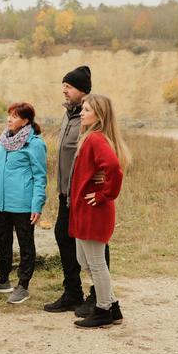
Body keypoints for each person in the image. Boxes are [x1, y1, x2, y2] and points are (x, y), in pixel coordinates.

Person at [43, 65, 109, 314]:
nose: (64, 90)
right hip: (66, 192)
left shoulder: (90, 117)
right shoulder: (70, 114)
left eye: (68, 86)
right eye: (63, 86)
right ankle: (72, 292)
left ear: (82, 90)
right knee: (63, 236)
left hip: (84, 194)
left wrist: (100, 185)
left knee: (95, 244)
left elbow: (104, 154)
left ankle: (97, 295)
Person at [69, 94, 130, 328]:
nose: (81, 113)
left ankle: (103, 310)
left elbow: (114, 167)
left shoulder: (95, 138)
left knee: (95, 262)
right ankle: (112, 306)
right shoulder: (90, 138)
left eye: (86, 110)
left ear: (99, 115)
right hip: (85, 210)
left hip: (95, 210)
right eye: (82, 109)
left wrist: (105, 194)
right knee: (84, 259)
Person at [0, 102, 48, 304]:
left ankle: (23, 286)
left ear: (26, 121)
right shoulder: (2, 141)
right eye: (9, 115)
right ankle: (3, 280)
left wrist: (37, 205)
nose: (9, 119)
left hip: (22, 204)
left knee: (25, 245)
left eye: (15, 116)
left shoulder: (35, 143)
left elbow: (40, 177)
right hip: (0, 203)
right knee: (2, 242)